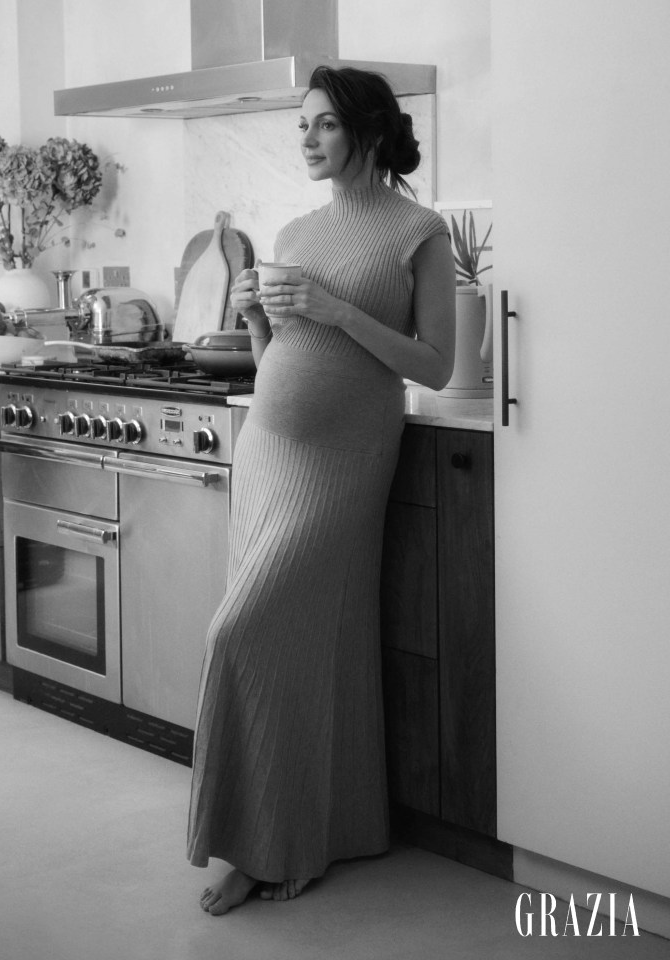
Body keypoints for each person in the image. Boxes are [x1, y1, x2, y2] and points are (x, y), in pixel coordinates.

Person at [187, 64, 456, 916]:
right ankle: (293, 835)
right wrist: (258, 314)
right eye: (300, 125)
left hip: (344, 459)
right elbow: (276, 366)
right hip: (267, 453)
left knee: (246, 632)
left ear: (369, 131)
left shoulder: (421, 232)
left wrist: (335, 311)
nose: (304, 139)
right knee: (307, 646)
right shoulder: (297, 229)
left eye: (323, 125)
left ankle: (275, 838)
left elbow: (437, 366)